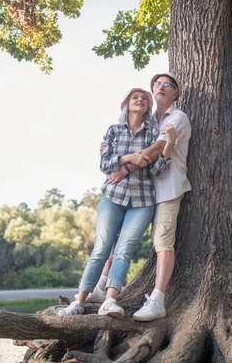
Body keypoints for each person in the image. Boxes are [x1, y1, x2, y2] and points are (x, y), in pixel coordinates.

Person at [58, 88, 177, 318]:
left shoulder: (154, 134)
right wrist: (128, 158)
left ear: (148, 107)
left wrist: (168, 145)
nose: (140, 100)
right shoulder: (113, 130)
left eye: (144, 98)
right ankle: (79, 301)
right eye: (135, 98)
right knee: (101, 249)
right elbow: (105, 164)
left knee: (124, 251)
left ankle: (110, 301)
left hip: (142, 201)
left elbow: (156, 169)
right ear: (126, 104)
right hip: (113, 196)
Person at [100, 72, 191, 322]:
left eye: (168, 85)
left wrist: (123, 169)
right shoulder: (149, 118)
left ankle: (157, 300)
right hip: (143, 190)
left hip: (167, 189)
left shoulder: (178, 118)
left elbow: (153, 151)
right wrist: (109, 147)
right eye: (157, 84)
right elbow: (125, 138)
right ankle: (102, 288)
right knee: (118, 237)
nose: (161, 87)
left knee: (162, 243)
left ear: (175, 93)